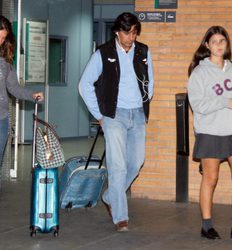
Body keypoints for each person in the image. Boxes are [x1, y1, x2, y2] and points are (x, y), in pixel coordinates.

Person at [79, 12, 154, 232]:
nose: (131, 37)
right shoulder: (104, 53)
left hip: (138, 113)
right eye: (127, 33)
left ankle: (111, 196)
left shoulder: (143, 51)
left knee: (136, 162)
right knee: (118, 166)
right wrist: (99, 115)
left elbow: (150, 80)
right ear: (117, 32)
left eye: (134, 32)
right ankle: (121, 217)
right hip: (114, 115)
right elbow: (84, 85)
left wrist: (145, 100)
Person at [187, 26, 232, 241]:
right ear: (207, 45)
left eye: (222, 40)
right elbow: (197, 103)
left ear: (227, 44)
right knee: (211, 179)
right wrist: (225, 101)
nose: (219, 45)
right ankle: (206, 225)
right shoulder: (199, 72)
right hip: (210, 131)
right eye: (214, 41)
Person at [0, 15, 44, 181]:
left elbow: (14, 87)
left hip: (1, 120)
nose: (0, 41)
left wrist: (31, 95)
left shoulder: (4, 61)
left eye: (3, 38)